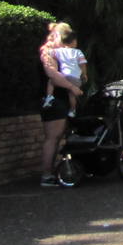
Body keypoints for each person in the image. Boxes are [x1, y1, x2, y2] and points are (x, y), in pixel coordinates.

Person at [38, 21, 84, 187]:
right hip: (53, 100)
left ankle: (51, 173)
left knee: (57, 138)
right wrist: (72, 87)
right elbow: (52, 75)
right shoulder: (48, 51)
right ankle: (46, 175)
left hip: (62, 99)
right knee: (52, 138)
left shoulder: (61, 53)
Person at [46, 28, 89, 117]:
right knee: (71, 95)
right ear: (73, 42)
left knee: (51, 81)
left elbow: (49, 52)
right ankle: (72, 111)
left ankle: (49, 97)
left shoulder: (60, 51)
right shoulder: (78, 52)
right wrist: (84, 74)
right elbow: (82, 64)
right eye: (76, 41)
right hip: (76, 79)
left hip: (63, 78)